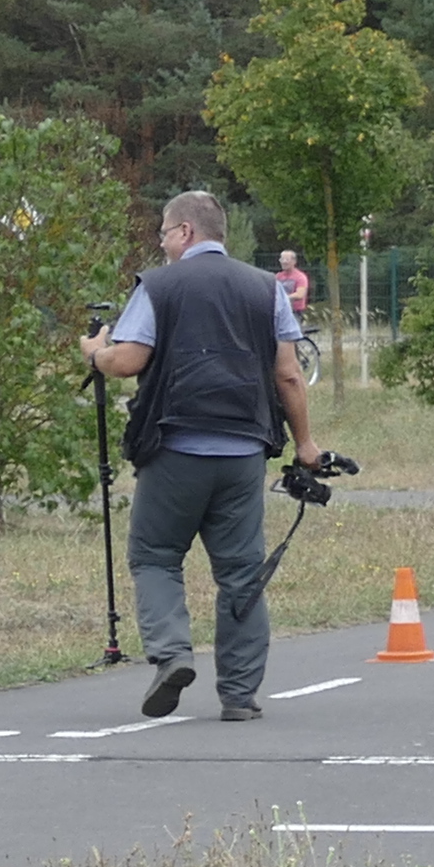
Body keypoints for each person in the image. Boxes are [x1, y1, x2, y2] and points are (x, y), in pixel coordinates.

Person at [86, 191, 324, 723]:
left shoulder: (160, 285)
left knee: (154, 555)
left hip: (175, 448)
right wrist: (305, 444)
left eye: (165, 232)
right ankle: (239, 696)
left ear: (187, 233)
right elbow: (287, 373)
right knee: (241, 572)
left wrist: (95, 353)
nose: (161, 241)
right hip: (243, 452)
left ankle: (172, 656)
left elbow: (126, 361)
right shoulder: (266, 288)